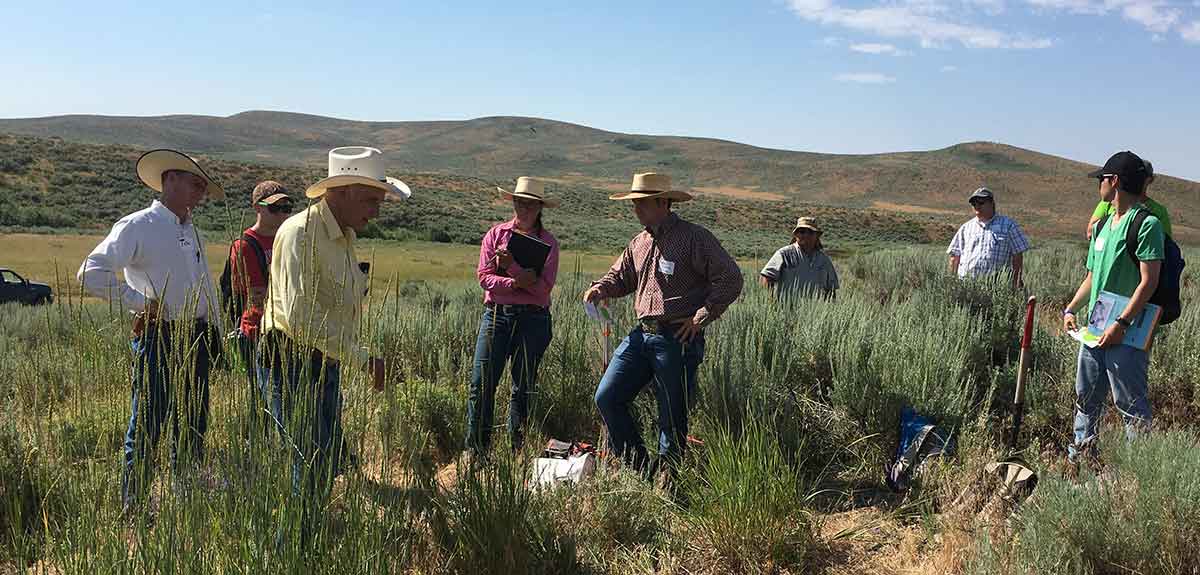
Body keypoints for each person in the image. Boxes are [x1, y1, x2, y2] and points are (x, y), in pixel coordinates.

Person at [259, 146, 409, 536]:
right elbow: (299, 318)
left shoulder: (342, 234)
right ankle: (293, 550)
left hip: (323, 361)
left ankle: (307, 540)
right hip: (289, 360)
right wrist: (363, 359)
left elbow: (338, 305)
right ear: (340, 191)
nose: (376, 210)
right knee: (310, 461)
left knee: (323, 459)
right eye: (371, 199)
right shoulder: (300, 232)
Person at [77, 149, 224, 511]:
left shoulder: (190, 229)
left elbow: (203, 283)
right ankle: (136, 504)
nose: (200, 192)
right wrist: (141, 303)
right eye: (194, 183)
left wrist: (216, 331)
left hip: (198, 335)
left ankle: (186, 484)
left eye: (203, 186)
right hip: (160, 335)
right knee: (148, 421)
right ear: (169, 180)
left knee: (193, 415)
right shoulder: (137, 225)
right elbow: (91, 271)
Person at [584, 172, 743, 480]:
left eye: (641, 203)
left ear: (663, 203)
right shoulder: (639, 243)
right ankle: (641, 472)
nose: (636, 209)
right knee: (607, 397)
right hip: (642, 334)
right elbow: (621, 277)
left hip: (677, 337)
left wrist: (702, 315)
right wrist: (602, 288)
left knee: (671, 415)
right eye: (634, 203)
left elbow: (731, 278)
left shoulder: (694, 238)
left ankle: (668, 482)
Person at [1062, 151, 1164, 461]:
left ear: (1114, 182)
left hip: (1126, 334)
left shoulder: (1146, 224)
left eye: (1102, 179)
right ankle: (1080, 461)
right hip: (1094, 330)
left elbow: (1149, 282)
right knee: (1086, 399)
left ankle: (1137, 478)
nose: (1099, 186)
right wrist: (1071, 308)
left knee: (1131, 406)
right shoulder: (1103, 224)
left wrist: (1121, 325)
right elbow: (1092, 276)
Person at [465, 177, 560, 458]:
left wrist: (511, 269)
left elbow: (543, 289)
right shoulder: (495, 235)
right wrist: (519, 281)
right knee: (481, 384)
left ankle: (515, 452)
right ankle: (477, 451)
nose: (524, 208)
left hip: (534, 320)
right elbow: (484, 278)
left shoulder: (549, 244)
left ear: (539, 207)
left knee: (523, 388)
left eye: (530, 204)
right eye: (519, 201)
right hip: (497, 316)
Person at [228, 181, 294, 438]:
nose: (283, 213)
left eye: (287, 207)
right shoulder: (245, 246)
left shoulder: (287, 239)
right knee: (267, 401)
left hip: (288, 329)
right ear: (257, 207)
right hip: (260, 334)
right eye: (275, 207)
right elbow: (256, 298)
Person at [947, 187, 1030, 288]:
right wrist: (952, 284)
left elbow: (1017, 256)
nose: (977, 206)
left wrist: (1015, 283)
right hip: (966, 286)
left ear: (991, 203)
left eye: (981, 202)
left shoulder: (1008, 225)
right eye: (974, 204)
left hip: (996, 287)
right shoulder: (966, 228)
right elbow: (955, 256)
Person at [1086, 159, 1172, 240]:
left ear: (1149, 180)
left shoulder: (1159, 211)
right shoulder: (1107, 203)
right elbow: (1090, 232)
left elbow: (1165, 242)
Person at [759, 216, 839, 299]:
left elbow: (831, 289)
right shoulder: (784, 254)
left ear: (817, 236)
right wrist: (770, 303)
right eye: (802, 232)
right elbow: (766, 278)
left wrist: (829, 308)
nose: (806, 235)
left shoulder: (824, 260)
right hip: (786, 310)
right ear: (796, 234)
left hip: (816, 310)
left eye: (810, 232)